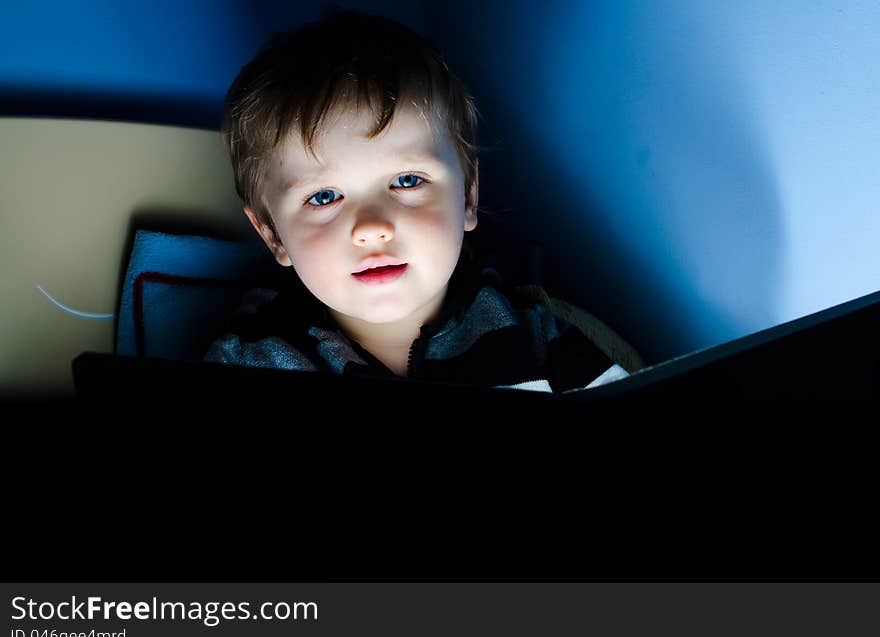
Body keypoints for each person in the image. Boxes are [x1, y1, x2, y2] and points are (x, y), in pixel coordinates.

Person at [205, 8, 644, 392]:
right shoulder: (252, 361)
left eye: (407, 180)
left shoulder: (536, 337)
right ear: (272, 234)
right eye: (324, 197)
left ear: (468, 195)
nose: (371, 227)